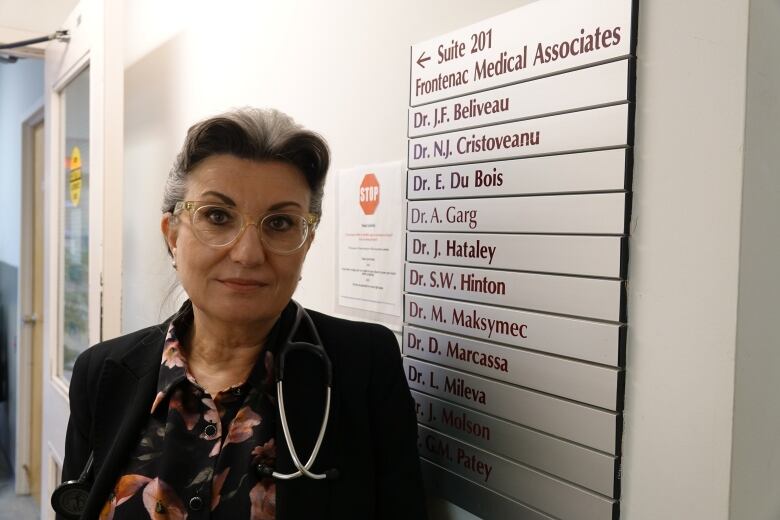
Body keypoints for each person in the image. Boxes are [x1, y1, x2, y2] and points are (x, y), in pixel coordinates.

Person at [59, 108, 428, 519]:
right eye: (217, 216)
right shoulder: (103, 372)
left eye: (280, 223)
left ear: (306, 244)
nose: (249, 253)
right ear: (172, 235)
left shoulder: (364, 365)